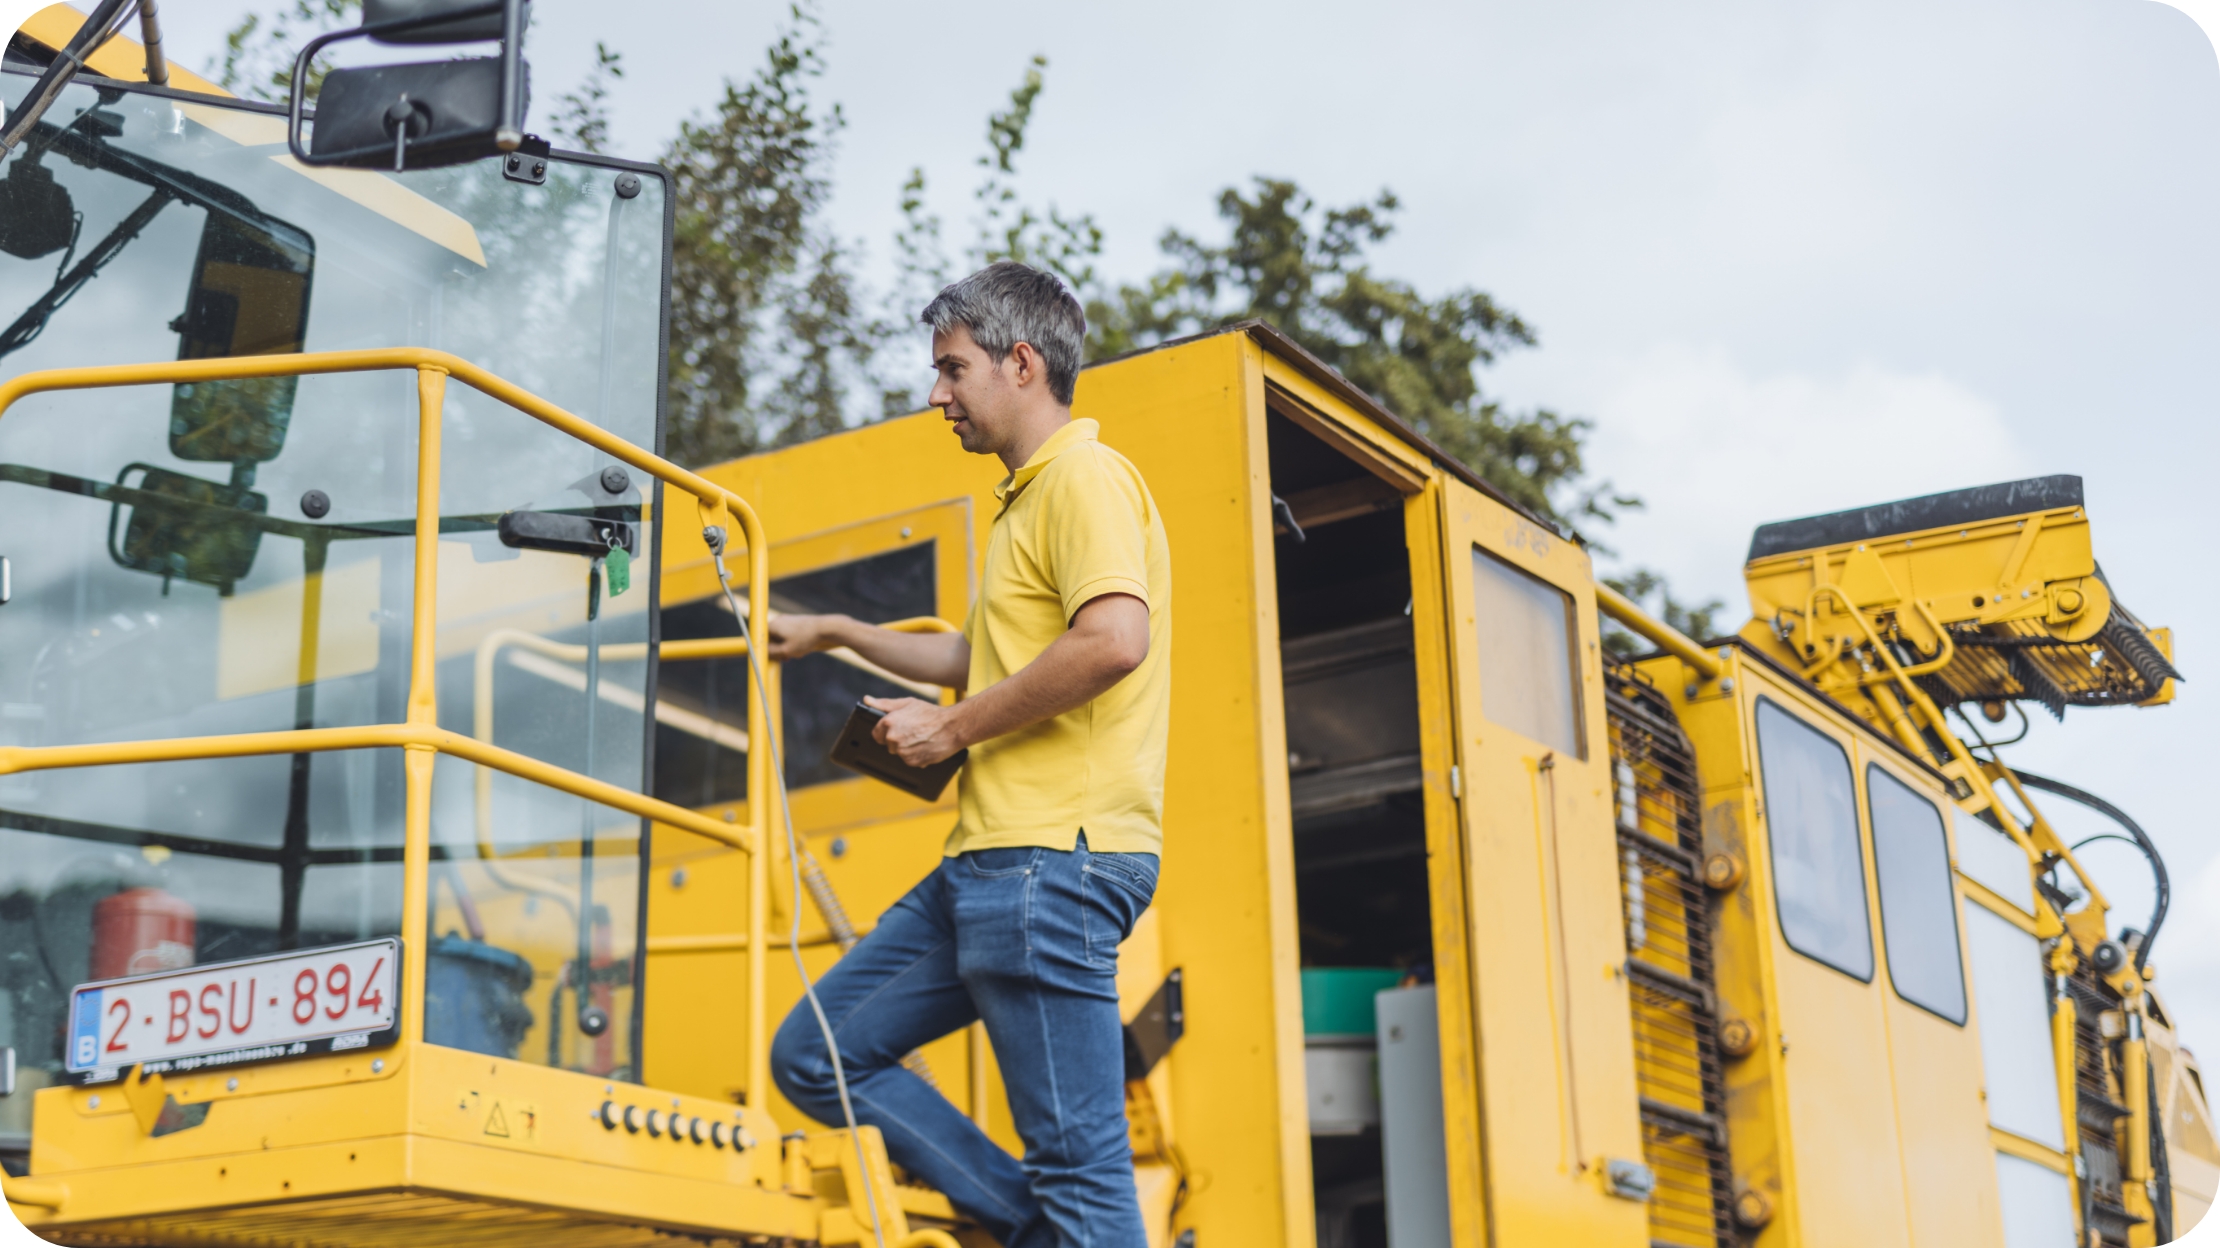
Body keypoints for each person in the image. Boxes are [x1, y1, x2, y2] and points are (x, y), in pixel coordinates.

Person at [765, 261, 1172, 1248]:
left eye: (951, 370)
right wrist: (837, 629)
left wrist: (950, 728)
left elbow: (1115, 639)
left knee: (1081, 1169)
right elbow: (975, 656)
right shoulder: (1026, 501)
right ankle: (1032, 1232)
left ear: (1019, 362)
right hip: (986, 865)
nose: (936, 394)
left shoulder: (1082, 477)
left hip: (1050, 868)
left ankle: (1057, 1226)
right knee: (816, 1054)